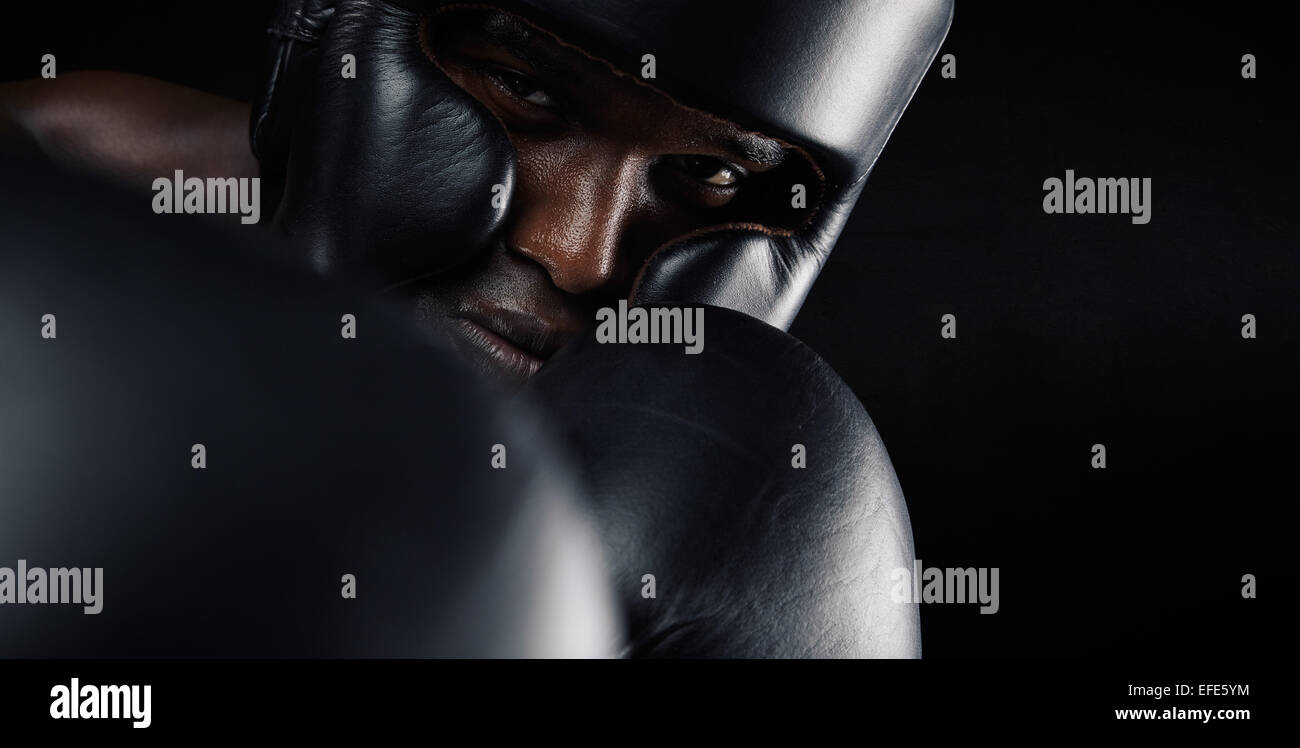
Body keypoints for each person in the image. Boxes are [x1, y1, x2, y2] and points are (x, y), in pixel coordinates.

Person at [0, 0, 953, 657]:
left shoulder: (735, 480)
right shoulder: (51, 208)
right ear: (325, 31)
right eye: (523, 89)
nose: (576, 255)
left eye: (709, 178)